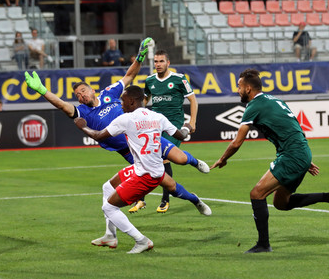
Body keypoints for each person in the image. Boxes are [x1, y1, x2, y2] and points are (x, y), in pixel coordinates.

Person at [24, 38, 210, 214]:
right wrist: (43, 91)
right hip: (132, 151)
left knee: (181, 158)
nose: (81, 96)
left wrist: (139, 57)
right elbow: (61, 104)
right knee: (167, 183)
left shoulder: (109, 93)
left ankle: (196, 162)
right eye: (78, 95)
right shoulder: (83, 112)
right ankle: (194, 200)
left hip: (147, 135)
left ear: (91, 89)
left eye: (83, 91)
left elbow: (130, 75)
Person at [210, 68, 329, 253]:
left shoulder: (254, 106)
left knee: (256, 193)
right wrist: (304, 158)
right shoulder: (274, 99)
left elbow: (237, 142)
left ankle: (263, 244)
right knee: (281, 203)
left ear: (248, 89)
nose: (237, 90)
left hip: (293, 155)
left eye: (239, 86)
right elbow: (293, 126)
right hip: (299, 152)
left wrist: (223, 159)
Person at [74, 85, 211, 253]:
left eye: (123, 101)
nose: (120, 104)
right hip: (147, 167)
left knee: (109, 208)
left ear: (131, 101)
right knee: (108, 187)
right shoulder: (157, 116)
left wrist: (82, 126)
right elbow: (181, 135)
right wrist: (189, 127)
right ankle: (110, 235)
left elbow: (97, 135)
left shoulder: (125, 119)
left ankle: (142, 241)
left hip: (146, 175)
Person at [144, 49, 198, 213]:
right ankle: (141, 198)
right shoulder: (149, 80)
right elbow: (144, 100)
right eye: (155, 61)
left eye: (161, 61)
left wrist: (192, 122)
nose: (158, 64)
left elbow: (193, 100)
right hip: (154, 124)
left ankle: (165, 200)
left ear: (168, 63)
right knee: (150, 158)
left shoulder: (179, 79)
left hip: (173, 125)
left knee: (163, 158)